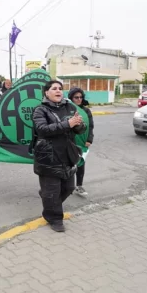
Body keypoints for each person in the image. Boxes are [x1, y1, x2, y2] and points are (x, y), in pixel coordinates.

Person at [32, 80, 86, 232]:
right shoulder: (40, 110)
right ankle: (54, 218)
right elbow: (42, 129)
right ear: (46, 92)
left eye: (60, 89)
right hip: (48, 156)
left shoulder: (69, 107)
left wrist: (79, 125)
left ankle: (49, 201)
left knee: (69, 187)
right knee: (52, 191)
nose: (58, 91)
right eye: (54, 88)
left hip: (68, 154)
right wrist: (68, 124)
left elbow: (79, 130)